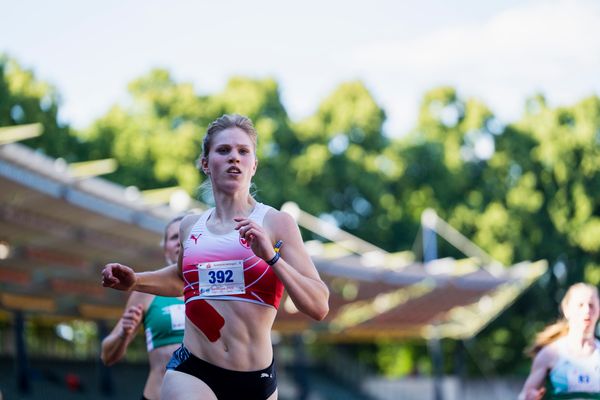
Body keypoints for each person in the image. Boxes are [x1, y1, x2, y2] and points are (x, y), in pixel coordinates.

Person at [102, 114, 329, 400]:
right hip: (193, 369)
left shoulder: (276, 223)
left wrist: (271, 257)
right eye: (224, 150)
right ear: (206, 164)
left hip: (255, 379)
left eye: (243, 151)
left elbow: (319, 305)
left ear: (254, 165)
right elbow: (181, 280)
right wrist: (135, 280)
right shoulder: (190, 227)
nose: (234, 157)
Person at [100, 215, 186, 400]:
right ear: (165, 249)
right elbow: (107, 356)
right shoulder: (146, 292)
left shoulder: (214, 288)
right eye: (173, 237)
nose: (180, 241)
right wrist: (124, 332)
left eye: (184, 235)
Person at [519, 282, 600, 400]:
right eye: (580, 305)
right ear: (567, 310)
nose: (587, 310)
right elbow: (523, 395)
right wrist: (529, 397)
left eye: (592, 305)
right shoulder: (550, 354)